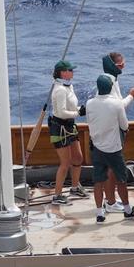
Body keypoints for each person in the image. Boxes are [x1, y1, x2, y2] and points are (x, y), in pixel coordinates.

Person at [86, 75, 134, 223]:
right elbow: (125, 126)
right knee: (121, 180)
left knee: (98, 181)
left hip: (97, 147)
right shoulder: (116, 104)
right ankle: (127, 210)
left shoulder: (90, 103)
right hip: (114, 149)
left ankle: (100, 213)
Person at [101, 52, 134, 213]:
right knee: (114, 169)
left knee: (109, 168)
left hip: (107, 130)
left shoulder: (109, 80)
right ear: (113, 66)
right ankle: (113, 203)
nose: (123, 66)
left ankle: (110, 201)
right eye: (120, 64)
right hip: (113, 132)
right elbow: (118, 106)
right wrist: (133, 95)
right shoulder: (109, 83)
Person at [49, 60, 88, 205]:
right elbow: (61, 112)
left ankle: (74, 187)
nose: (72, 72)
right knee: (65, 163)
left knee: (78, 158)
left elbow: (69, 107)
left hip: (70, 126)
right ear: (63, 72)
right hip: (60, 128)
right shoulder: (59, 90)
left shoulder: (68, 86)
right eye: (70, 70)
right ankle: (57, 195)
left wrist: (78, 109)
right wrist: (78, 112)